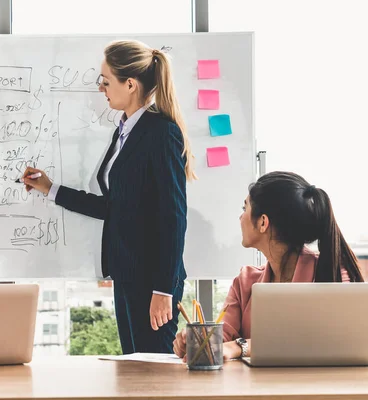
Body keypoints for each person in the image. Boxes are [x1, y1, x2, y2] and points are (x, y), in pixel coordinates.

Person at [22, 40, 195, 354]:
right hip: (126, 271)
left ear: (130, 84)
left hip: (152, 280)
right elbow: (114, 207)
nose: (101, 88)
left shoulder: (160, 133)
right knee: (134, 368)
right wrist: (51, 188)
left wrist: (163, 290)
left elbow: (174, 217)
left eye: (105, 81)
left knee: (152, 375)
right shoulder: (124, 131)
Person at [173, 171, 364, 360]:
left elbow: (320, 341)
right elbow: (223, 341)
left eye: (244, 208)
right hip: (257, 389)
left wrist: (241, 346)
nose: (240, 218)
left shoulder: (332, 274)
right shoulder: (245, 281)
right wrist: (196, 343)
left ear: (263, 222)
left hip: (320, 387)